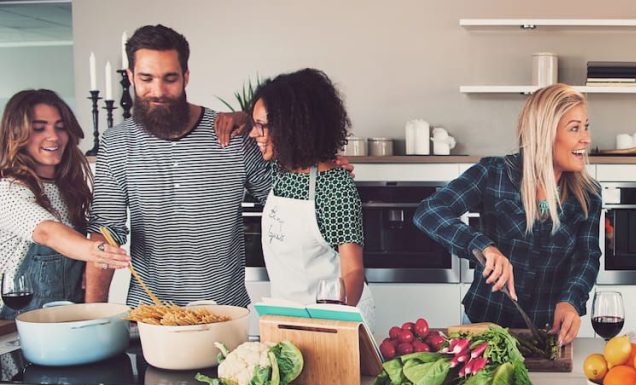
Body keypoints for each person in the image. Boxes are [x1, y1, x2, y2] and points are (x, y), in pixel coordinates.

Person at [85, 25, 273, 307]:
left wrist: (322, 168)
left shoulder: (232, 135)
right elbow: (105, 233)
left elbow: (282, 198)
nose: (158, 91)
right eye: (146, 78)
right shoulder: (117, 143)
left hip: (224, 312)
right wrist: (93, 316)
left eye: (170, 78)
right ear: (130, 77)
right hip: (148, 316)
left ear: (186, 76)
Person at [413, 84, 601, 344]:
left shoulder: (588, 194)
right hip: (485, 325)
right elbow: (429, 212)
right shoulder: (494, 173)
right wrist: (483, 246)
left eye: (586, 126)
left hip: (548, 333)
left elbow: (587, 256)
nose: (587, 139)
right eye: (574, 128)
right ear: (545, 133)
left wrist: (570, 300)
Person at [247, 69, 374, 327]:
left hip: (332, 323)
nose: (253, 134)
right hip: (287, 319)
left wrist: (330, 322)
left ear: (291, 127)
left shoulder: (334, 186)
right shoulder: (280, 170)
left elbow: (353, 271)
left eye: (262, 126)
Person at [0, 89, 129, 317]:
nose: (53, 136)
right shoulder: (8, 190)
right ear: (17, 134)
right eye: (39, 128)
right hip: (17, 326)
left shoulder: (68, 188)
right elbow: (47, 231)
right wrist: (96, 251)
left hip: (68, 322)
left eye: (60, 127)